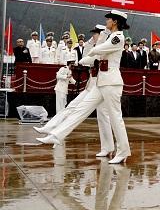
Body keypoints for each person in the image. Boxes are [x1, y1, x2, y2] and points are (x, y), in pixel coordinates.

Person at [36, 10, 132, 164]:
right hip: (101, 82)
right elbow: (97, 50)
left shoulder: (118, 38)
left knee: (115, 118)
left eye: (108, 20)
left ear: (114, 22)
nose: (106, 22)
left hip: (112, 83)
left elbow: (98, 49)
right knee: (80, 110)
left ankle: (123, 151)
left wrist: (95, 47)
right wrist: (82, 59)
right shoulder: (109, 36)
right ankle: (56, 136)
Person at [34, 24, 115, 157]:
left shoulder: (105, 48)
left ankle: (108, 147)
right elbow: (85, 55)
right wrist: (92, 42)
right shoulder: (96, 46)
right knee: (73, 108)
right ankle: (50, 128)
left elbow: (86, 60)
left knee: (100, 116)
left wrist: (99, 41)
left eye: (95, 33)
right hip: (92, 85)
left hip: (101, 86)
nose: (93, 36)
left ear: (102, 35)